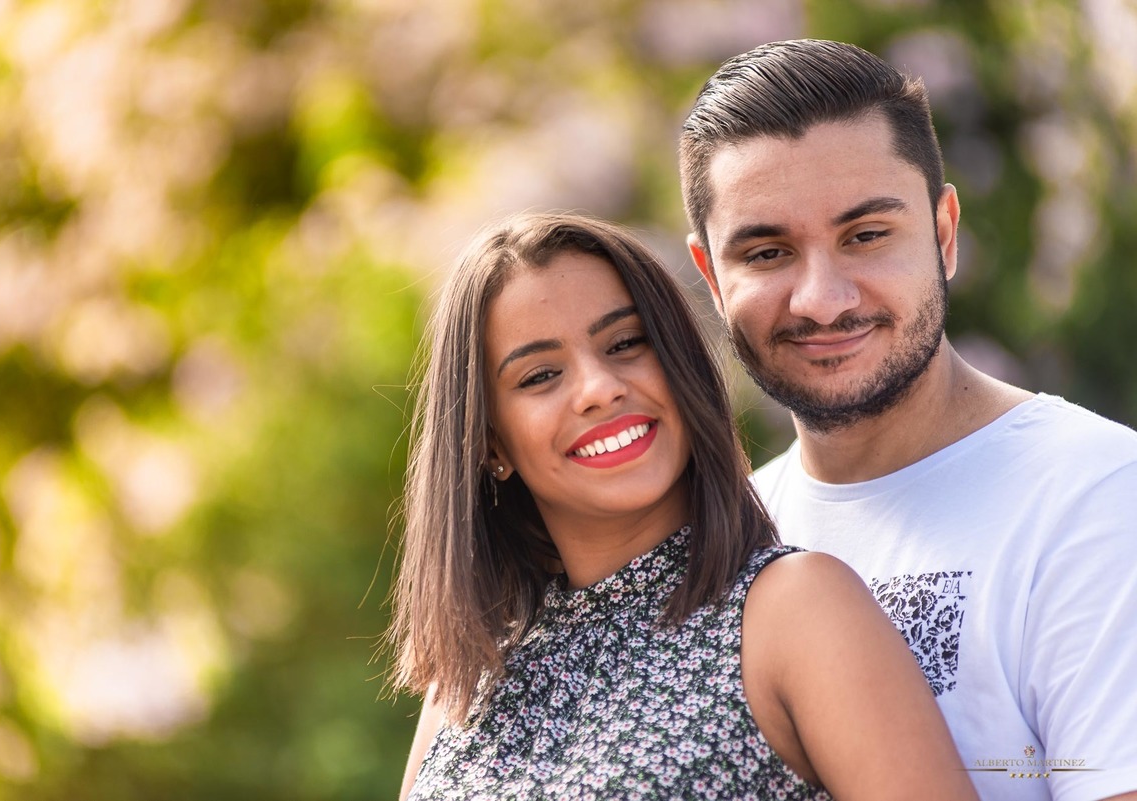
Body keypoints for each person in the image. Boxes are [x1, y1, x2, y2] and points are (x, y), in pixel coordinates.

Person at [679, 39, 1137, 801]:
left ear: (945, 232)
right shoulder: (728, 538)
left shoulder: (1098, 500)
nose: (822, 299)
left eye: (865, 236)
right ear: (711, 278)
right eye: (767, 251)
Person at [389, 212, 977, 800]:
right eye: (541, 375)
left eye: (624, 344)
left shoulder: (794, 609)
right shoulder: (467, 679)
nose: (599, 388)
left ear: (678, 362)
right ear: (491, 443)